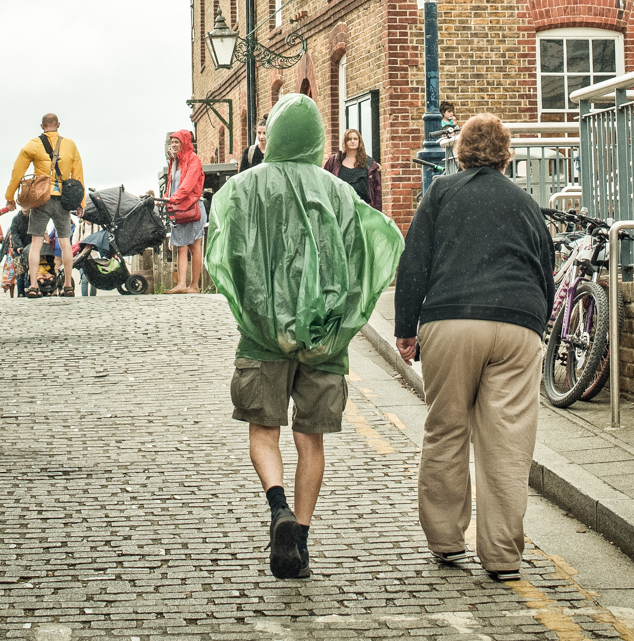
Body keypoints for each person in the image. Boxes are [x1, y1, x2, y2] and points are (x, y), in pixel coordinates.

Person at [206, 93, 402, 581]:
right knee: (310, 439)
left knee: (263, 430)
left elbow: (222, 252)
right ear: (316, 139)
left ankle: (278, 511)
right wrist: (343, 314)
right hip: (323, 336)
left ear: (274, 134)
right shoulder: (338, 191)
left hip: (262, 334)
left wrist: (251, 305)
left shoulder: (242, 188)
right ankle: (303, 540)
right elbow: (374, 246)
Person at [394, 113, 555, 582]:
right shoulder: (525, 202)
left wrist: (407, 328)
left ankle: (446, 540)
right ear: (506, 156)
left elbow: (415, 260)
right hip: (517, 324)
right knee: (507, 442)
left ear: (460, 154)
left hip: (452, 320)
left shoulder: (442, 192)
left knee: (446, 429)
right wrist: (535, 327)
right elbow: (545, 270)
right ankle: (503, 556)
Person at [5, 113, 85, 298]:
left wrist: (10, 196)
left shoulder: (33, 144)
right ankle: (67, 285)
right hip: (63, 200)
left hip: (40, 199)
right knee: (65, 242)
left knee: (35, 243)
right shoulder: (70, 145)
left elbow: (17, 172)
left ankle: (33, 286)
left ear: (42, 126)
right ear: (58, 124)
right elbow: (78, 175)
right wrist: (81, 202)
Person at [164, 130, 206, 293]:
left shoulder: (193, 160)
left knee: (194, 246)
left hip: (192, 208)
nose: (173, 145)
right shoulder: (174, 162)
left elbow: (188, 184)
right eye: (171, 142)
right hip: (179, 208)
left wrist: (174, 198)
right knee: (180, 245)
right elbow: (171, 183)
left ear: (184, 143)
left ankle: (194, 285)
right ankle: (181, 285)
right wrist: (166, 197)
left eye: (176, 142)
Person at [323, 128, 382, 209]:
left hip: (363, 209)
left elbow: (377, 192)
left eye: (355, 139)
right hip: (340, 208)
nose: (352, 141)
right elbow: (324, 182)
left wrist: (377, 214)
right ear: (345, 142)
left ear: (359, 141)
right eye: (349, 139)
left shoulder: (369, 164)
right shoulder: (334, 161)